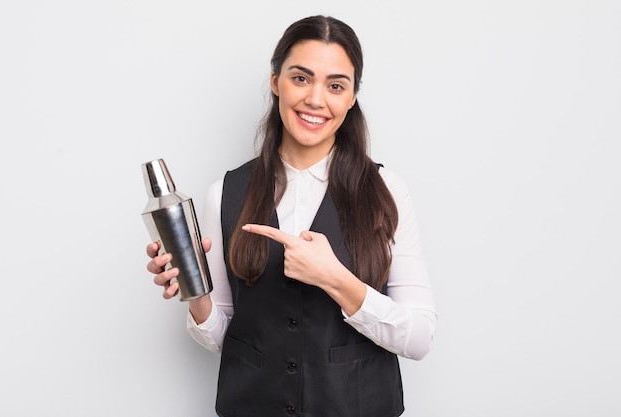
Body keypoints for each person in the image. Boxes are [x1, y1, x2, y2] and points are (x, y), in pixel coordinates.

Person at [146, 15, 437, 417]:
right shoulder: (225, 193)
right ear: (275, 81)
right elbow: (223, 336)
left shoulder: (387, 191)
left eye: (336, 86)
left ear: (352, 98)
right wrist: (195, 294)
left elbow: (419, 337)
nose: (316, 99)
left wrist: (334, 278)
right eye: (301, 78)